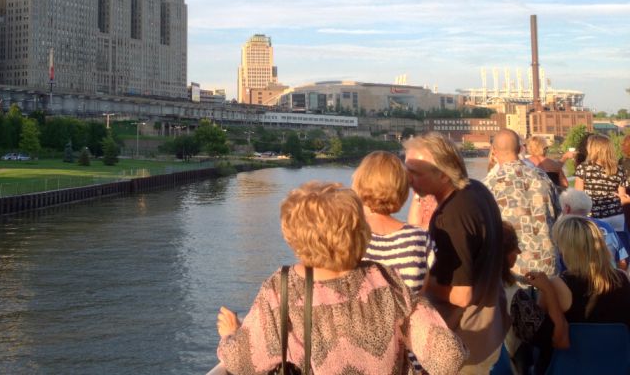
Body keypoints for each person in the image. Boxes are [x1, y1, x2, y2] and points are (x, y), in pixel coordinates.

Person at [216, 181, 467, 375]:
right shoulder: (387, 280)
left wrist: (230, 333)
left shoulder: (280, 289)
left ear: (292, 235)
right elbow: (448, 357)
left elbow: (241, 363)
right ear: (360, 231)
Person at [404, 132, 508, 374]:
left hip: (467, 339)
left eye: (415, 173)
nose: (408, 180)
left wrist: (418, 281)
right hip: (490, 326)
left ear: (443, 174)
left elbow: (461, 296)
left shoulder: (451, 217)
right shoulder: (477, 189)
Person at [521, 215, 630, 371]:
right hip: (617, 366)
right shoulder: (623, 278)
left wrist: (546, 290)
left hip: (568, 367)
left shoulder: (556, 286)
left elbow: (543, 335)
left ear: (566, 250)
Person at [484, 129, 560, 276]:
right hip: (547, 265)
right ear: (520, 149)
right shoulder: (542, 177)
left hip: (512, 270)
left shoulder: (488, 185)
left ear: (494, 151)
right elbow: (557, 214)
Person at [351, 151, 429, 295]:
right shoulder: (421, 238)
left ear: (358, 184)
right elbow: (421, 294)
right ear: (403, 190)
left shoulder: (348, 235)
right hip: (409, 309)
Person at [558, 188, 628, 270]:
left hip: (580, 276)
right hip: (609, 274)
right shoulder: (606, 226)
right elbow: (622, 262)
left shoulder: (564, 231)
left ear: (567, 209)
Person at [574, 133, 628, 232]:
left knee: (595, 241)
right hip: (616, 216)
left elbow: (578, 196)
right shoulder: (619, 170)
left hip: (593, 216)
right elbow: (622, 197)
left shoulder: (583, 168)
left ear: (593, 149)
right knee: (615, 241)